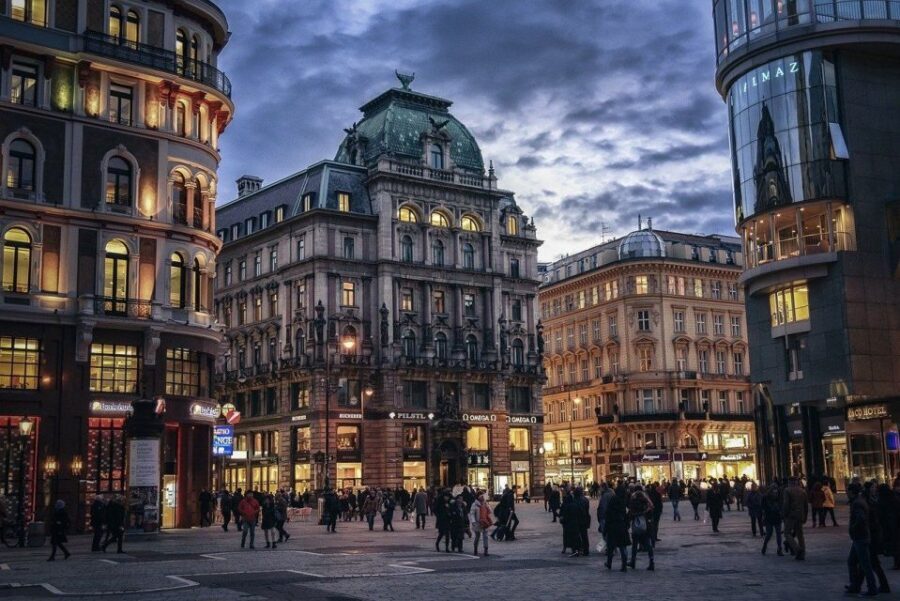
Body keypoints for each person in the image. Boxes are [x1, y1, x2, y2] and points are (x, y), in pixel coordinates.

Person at [845, 482, 879, 596]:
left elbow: (861, 518)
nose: (846, 493)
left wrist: (853, 528)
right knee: (852, 561)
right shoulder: (859, 501)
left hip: (860, 537)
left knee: (865, 564)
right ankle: (854, 585)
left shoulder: (857, 503)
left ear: (851, 492)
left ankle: (871, 588)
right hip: (860, 537)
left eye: (847, 491)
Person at [627, 485, 655, 570]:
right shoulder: (645, 498)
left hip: (636, 523)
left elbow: (630, 511)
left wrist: (630, 519)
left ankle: (633, 562)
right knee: (648, 544)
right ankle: (651, 562)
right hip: (645, 524)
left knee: (635, 544)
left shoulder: (633, 498)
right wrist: (645, 513)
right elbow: (652, 507)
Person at [604, 485, 630, 572]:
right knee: (623, 547)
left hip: (613, 525)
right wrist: (627, 524)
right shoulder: (624, 501)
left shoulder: (613, 499)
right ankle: (624, 565)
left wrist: (606, 528)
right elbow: (627, 515)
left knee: (611, 546)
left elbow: (608, 513)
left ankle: (609, 563)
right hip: (622, 526)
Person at [782, 477, 808, 560]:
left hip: (791, 515)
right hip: (800, 515)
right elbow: (806, 505)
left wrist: (784, 514)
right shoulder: (802, 491)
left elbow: (786, 504)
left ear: (790, 482)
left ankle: (797, 549)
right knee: (800, 534)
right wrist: (805, 516)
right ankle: (802, 554)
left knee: (787, 533)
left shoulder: (787, 490)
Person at [761, 484, 784, 555]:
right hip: (770, 517)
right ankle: (765, 545)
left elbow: (782, 506)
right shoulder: (765, 498)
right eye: (773, 490)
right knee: (770, 534)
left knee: (777, 534)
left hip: (776, 517)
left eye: (776, 490)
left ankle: (779, 549)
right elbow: (763, 508)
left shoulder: (779, 497)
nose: (775, 492)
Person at [470, 492, 491, 556]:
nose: (482, 497)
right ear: (477, 497)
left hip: (485, 522)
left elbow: (490, 511)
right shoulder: (474, 504)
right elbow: (472, 514)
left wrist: (487, 505)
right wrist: (473, 522)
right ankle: (475, 550)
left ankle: (486, 550)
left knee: (485, 536)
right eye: (480, 496)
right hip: (477, 523)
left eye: (482, 496)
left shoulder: (485, 503)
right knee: (477, 536)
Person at [573, 486, 591, 557]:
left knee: (577, 535)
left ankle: (578, 549)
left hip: (578, 520)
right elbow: (587, 510)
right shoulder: (586, 500)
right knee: (584, 535)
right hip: (585, 519)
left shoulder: (575, 500)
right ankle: (586, 550)